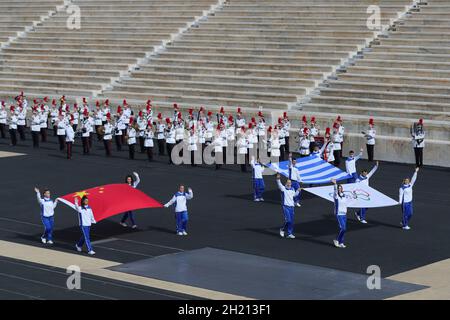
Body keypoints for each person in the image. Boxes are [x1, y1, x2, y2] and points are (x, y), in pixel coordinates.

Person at [276, 174, 301, 239]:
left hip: (292, 207)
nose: (289, 184)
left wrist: (298, 191)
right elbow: (279, 184)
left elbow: (294, 195)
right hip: (285, 207)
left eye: (290, 183)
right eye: (288, 183)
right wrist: (278, 179)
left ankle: (289, 233)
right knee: (288, 220)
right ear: (286, 183)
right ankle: (282, 229)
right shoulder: (283, 188)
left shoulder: (292, 189)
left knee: (291, 221)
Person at [331, 178, 350, 248]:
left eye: (340, 188)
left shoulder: (344, 196)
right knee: (343, 228)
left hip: (344, 214)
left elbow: (347, 202)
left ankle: (341, 242)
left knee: (343, 229)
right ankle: (337, 240)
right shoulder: (336, 196)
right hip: (339, 214)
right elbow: (335, 191)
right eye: (338, 188)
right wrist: (335, 184)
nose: (339, 189)